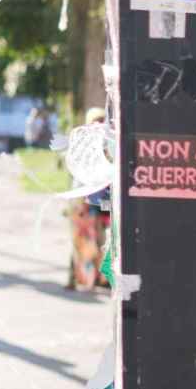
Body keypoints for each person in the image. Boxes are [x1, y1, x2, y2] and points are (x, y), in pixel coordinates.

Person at [67, 108, 111, 291]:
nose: (98, 125)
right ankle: (76, 278)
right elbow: (77, 175)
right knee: (82, 240)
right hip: (84, 200)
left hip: (103, 201)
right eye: (95, 121)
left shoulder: (110, 143)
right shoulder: (83, 144)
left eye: (102, 121)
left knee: (102, 241)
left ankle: (102, 278)